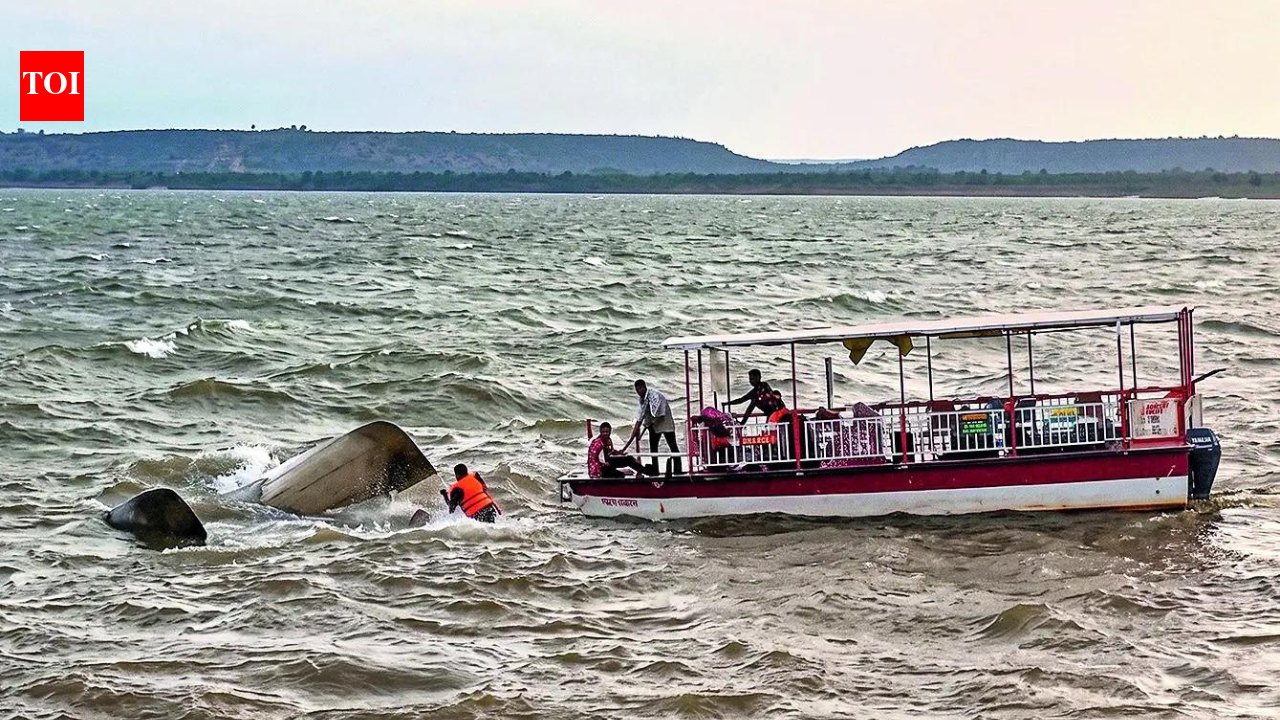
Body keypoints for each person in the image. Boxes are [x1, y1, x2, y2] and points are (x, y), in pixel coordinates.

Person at [623, 379, 682, 476]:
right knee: (653, 448)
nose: (638, 392)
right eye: (637, 390)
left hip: (664, 421)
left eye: (640, 389)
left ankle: (678, 469)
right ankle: (655, 470)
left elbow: (659, 413)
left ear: (644, 387)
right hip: (653, 424)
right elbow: (640, 418)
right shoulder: (642, 400)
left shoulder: (654, 395)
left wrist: (648, 424)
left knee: (672, 445)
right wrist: (630, 440)